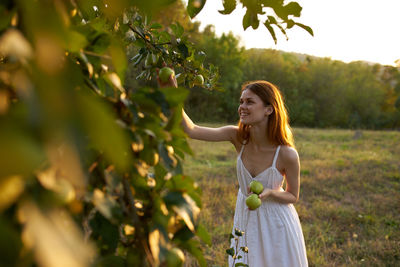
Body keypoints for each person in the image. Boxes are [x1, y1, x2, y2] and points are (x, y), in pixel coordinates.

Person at [158, 72, 308, 266]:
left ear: (269, 110)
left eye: (249, 102)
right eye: (241, 101)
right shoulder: (237, 137)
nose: (242, 107)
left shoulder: (287, 154)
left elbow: (293, 196)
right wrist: (171, 94)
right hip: (246, 217)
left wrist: (270, 192)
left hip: (276, 223)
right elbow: (190, 129)